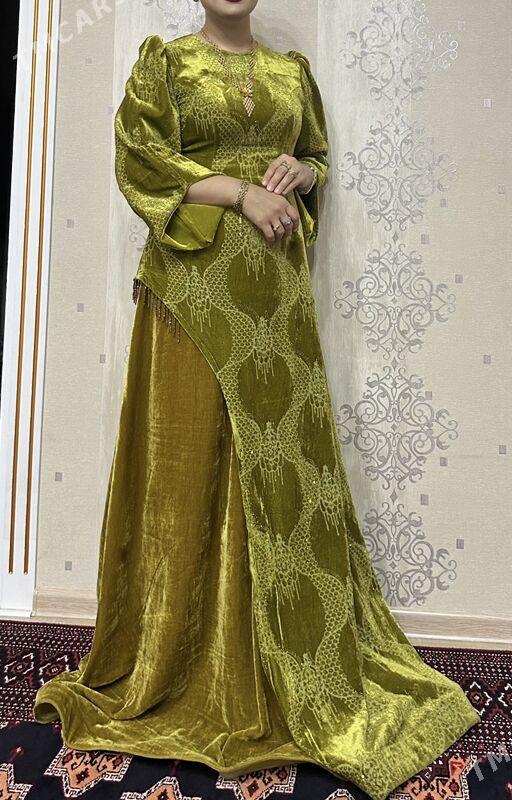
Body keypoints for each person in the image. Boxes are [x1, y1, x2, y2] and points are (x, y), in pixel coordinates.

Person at [32, 1, 480, 798]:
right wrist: (240, 192)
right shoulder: (166, 63)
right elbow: (141, 155)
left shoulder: (290, 74)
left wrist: (302, 174)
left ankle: (285, 667)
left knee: (282, 476)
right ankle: (185, 664)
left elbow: (317, 158)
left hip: (274, 302)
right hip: (193, 297)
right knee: (188, 465)